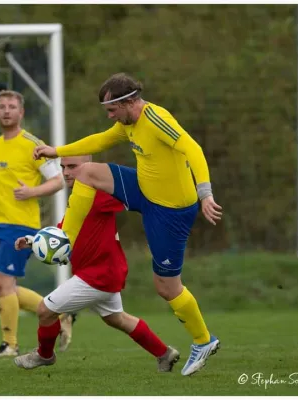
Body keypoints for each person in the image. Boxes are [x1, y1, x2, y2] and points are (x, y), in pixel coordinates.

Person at [32, 73, 221, 376]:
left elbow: (193, 149)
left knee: (166, 287)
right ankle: (66, 237)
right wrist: (57, 151)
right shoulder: (127, 124)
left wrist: (205, 194)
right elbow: (99, 140)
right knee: (88, 171)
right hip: (144, 190)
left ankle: (204, 340)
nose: (110, 117)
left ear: (130, 101)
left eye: (112, 110)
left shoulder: (156, 119)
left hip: (169, 210)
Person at [13, 155, 181, 372]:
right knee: (117, 319)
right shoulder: (79, 197)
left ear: (90, 167)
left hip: (97, 275)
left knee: (45, 310)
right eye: (63, 167)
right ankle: (164, 354)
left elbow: (136, 191)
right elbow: (61, 234)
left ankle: (45, 355)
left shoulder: (101, 193)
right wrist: (32, 241)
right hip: (104, 272)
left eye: (72, 167)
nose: (66, 172)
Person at [0, 90, 71, 357]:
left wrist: (32, 192)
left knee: (4, 283)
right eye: (1, 106)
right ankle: (60, 314)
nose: (6, 111)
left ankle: (10, 345)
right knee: (5, 287)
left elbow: (58, 180)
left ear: (21, 113)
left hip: (22, 225)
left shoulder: (32, 144)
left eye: (12, 106)